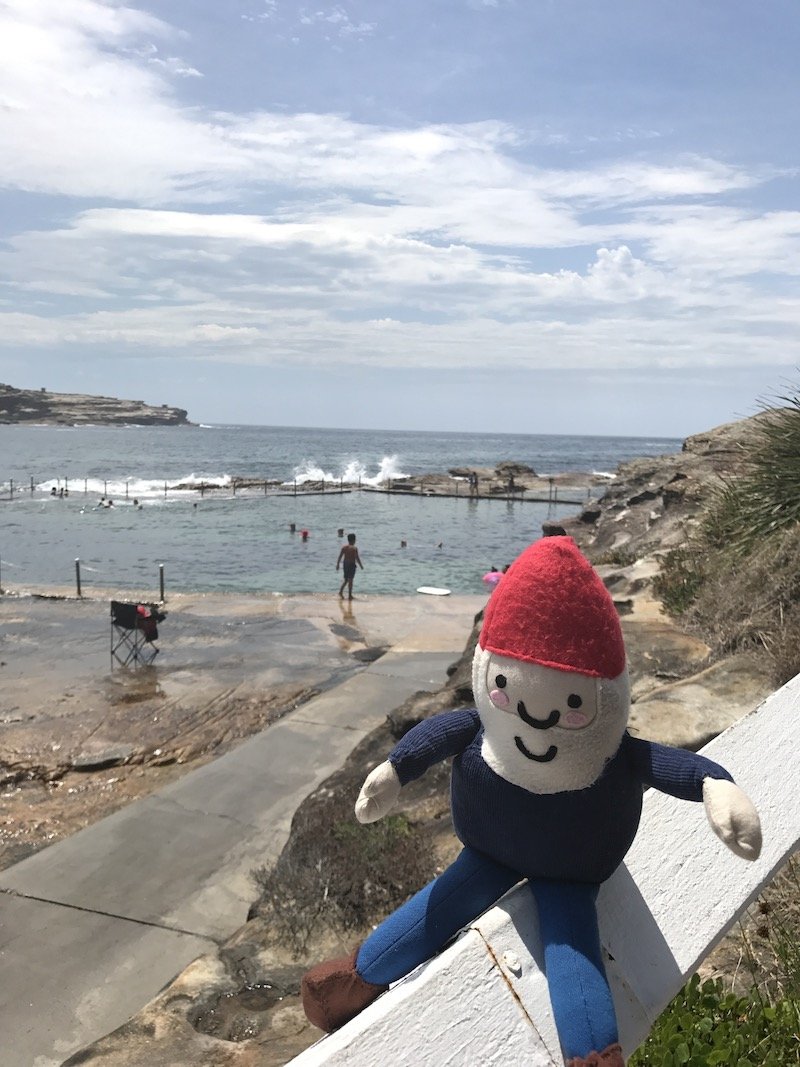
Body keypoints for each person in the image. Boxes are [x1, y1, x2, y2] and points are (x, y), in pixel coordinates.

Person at [337, 533, 363, 600]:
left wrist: (337, 564)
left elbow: (340, 557)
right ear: (354, 540)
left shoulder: (344, 547)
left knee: (346, 580)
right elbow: (357, 558)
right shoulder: (354, 548)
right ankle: (350, 595)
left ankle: (340, 592)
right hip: (351, 565)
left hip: (345, 564)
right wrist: (361, 565)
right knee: (351, 581)